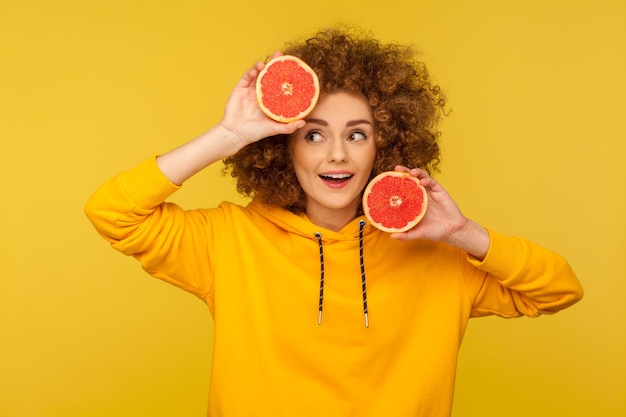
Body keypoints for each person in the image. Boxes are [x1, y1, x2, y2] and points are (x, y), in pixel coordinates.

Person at [85, 27, 583, 417]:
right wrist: (229, 133)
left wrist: (463, 234)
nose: (337, 155)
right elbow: (112, 212)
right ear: (285, 145)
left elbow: (559, 289)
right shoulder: (228, 241)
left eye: (358, 134)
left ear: (384, 145)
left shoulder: (442, 256)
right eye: (315, 135)